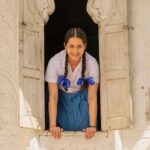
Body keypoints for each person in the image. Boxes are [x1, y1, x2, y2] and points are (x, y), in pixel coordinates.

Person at [45, 27, 99, 139]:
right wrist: (53, 126)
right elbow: (53, 96)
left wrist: (92, 126)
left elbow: (92, 97)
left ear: (85, 46)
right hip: (61, 102)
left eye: (79, 46)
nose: (75, 51)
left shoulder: (92, 62)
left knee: (85, 137)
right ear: (65, 45)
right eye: (71, 46)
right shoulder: (55, 62)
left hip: (83, 102)